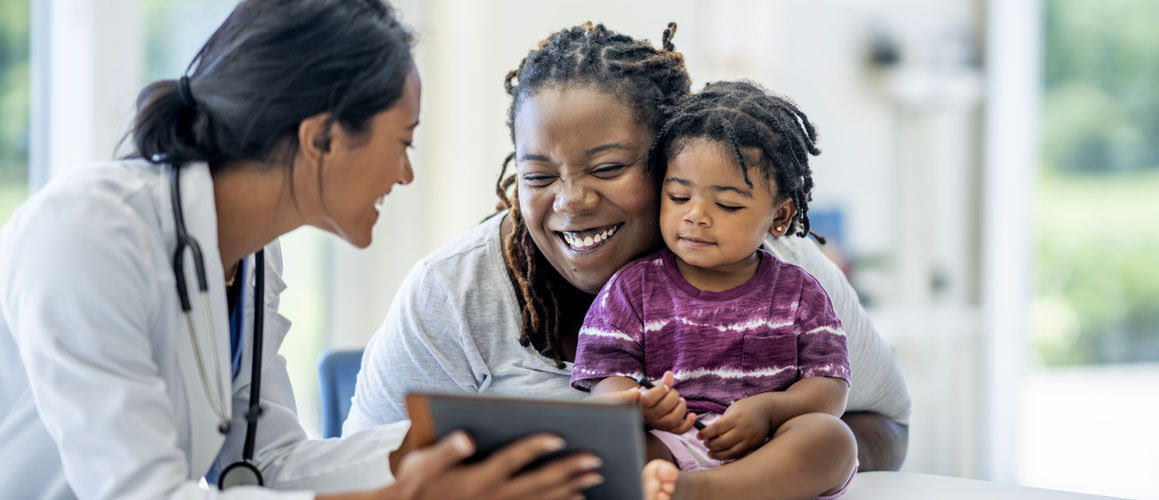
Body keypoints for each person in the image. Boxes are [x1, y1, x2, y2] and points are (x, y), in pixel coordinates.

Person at [0, 1, 603, 499]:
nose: (404, 175)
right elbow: (142, 494)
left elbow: (268, 464)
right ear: (321, 137)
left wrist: (505, 438)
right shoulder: (87, 231)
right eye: (403, 141)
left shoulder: (254, 254)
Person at [345, 20, 912, 491]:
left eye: (609, 168)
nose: (571, 201)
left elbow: (885, 424)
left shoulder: (782, 271)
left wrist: (764, 457)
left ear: (673, 160)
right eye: (538, 175)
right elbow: (361, 475)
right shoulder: (453, 291)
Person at [572, 80, 858, 500]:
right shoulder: (631, 290)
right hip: (669, 444)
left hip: (769, 449)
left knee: (832, 439)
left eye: (727, 205)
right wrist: (638, 404)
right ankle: (681, 485)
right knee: (597, 444)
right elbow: (604, 381)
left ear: (779, 217)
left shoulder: (800, 294)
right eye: (678, 195)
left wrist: (771, 409)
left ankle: (704, 490)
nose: (696, 216)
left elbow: (829, 387)